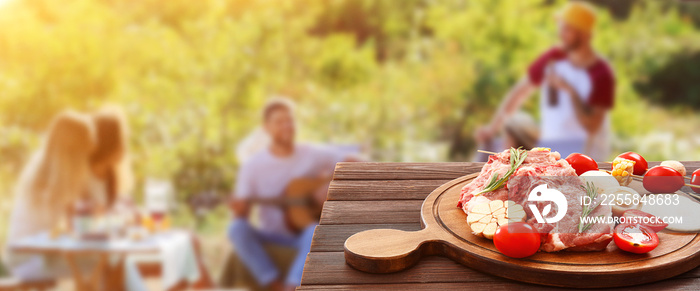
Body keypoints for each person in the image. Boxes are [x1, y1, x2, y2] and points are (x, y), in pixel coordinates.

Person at [229, 98, 353, 291]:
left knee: (314, 230)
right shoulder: (252, 166)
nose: (287, 126)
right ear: (266, 128)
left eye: (289, 120)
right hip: (271, 235)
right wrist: (239, 210)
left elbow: (353, 161)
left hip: (302, 235)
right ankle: (274, 284)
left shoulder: (311, 153)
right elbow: (241, 216)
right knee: (236, 228)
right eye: (279, 122)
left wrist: (330, 185)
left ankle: (292, 287)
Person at [88, 106, 215, 290]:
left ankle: (209, 287)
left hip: (124, 247)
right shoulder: (85, 178)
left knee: (188, 242)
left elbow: (118, 213)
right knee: (187, 252)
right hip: (111, 256)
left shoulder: (109, 176)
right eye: (123, 138)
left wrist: (130, 213)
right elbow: (93, 224)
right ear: (111, 141)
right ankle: (211, 288)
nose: (126, 143)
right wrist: (126, 218)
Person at [475, 1, 615, 160]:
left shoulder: (600, 73)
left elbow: (592, 126)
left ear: (584, 34)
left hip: (585, 155)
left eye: (567, 29)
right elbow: (518, 93)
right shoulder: (554, 57)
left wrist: (570, 90)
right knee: (491, 150)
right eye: (561, 27)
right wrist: (492, 129)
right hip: (551, 146)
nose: (561, 34)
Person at [3, 111, 96, 280]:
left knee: (111, 264)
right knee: (105, 266)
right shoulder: (49, 181)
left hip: (36, 257)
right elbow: (60, 233)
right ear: (74, 150)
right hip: (29, 260)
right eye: (85, 151)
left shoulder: (45, 167)